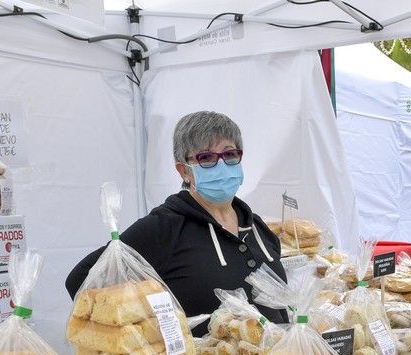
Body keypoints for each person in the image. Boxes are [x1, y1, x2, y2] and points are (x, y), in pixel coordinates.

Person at [66, 111, 288, 335]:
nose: (221, 165)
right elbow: (80, 280)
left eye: (229, 154)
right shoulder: (163, 228)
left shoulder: (258, 228)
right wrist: (149, 331)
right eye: (206, 158)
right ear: (184, 171)